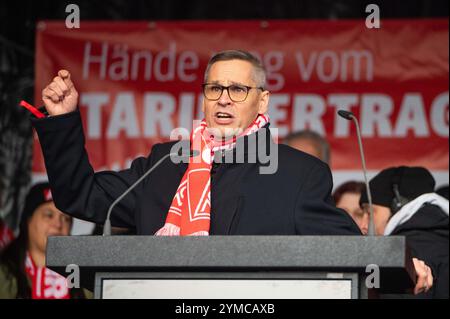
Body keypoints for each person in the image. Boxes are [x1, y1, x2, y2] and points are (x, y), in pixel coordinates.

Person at [31, 50, 430, 294]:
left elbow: (349, 250)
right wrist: (62, 121)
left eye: (237, 90)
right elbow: (79, 195)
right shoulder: (164, 164)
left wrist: (405, 262)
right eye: (213, 89)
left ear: (262, 101)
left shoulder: (296, 174)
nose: (223, 99)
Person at [360, 166, 449, 299]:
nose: (363, 225)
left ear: (398, 205)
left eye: (370, 212)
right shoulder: (437, 237)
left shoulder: (410, 249)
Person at [0, 183, 90, 299]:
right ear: (28, 220)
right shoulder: (3, 274)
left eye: (66, 218)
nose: (58, 224)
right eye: (49, 215)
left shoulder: (86, 276)